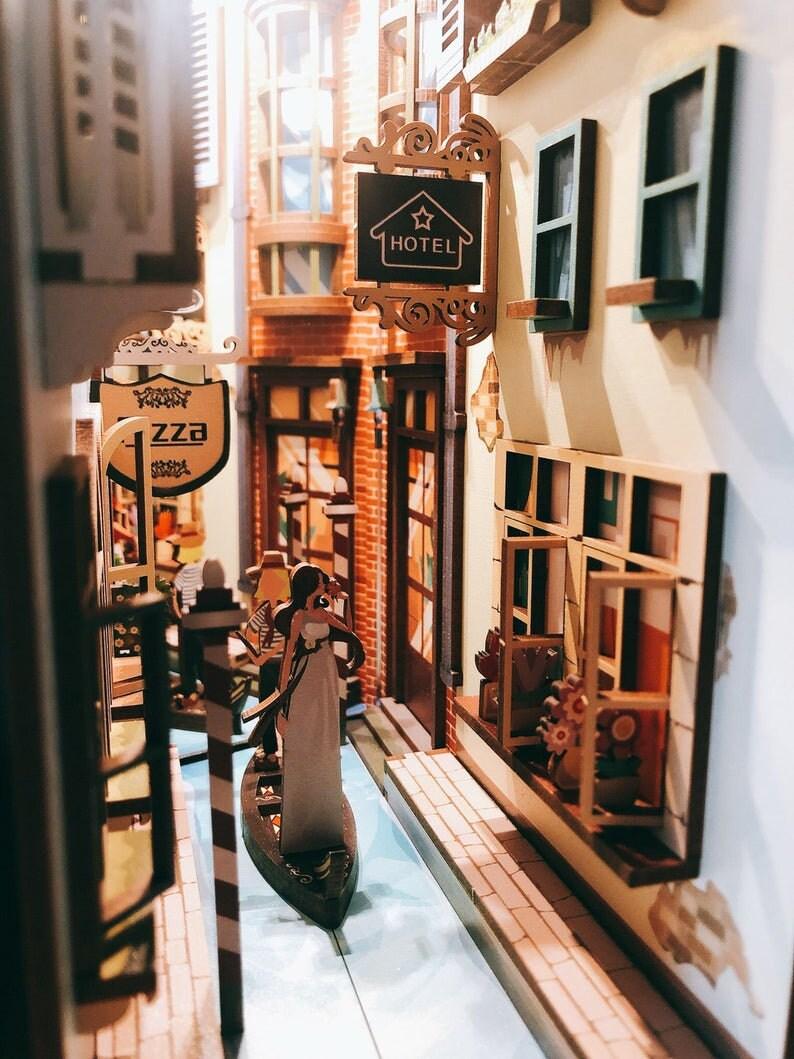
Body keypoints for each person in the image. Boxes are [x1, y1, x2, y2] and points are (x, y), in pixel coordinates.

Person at [272, 563, 364, 859]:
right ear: (311, 585)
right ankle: (300, 813)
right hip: (305, 673)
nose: (326, 585)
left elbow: (348, 630)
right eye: (322, 581)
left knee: (325, 729)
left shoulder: (323, 613)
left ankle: (325, 806)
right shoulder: (298, 617)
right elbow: (288, 656)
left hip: (325, 673)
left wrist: (345, 601)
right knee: (303, 730)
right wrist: (281, 700)